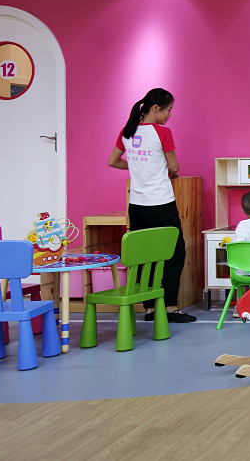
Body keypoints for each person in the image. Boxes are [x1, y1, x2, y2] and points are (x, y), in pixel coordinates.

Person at [107, 88, 195, 323]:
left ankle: (149, 309)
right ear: (155, 109)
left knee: (145, 255)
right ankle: (170, 307)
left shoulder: (127, 131)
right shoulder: (162, 132)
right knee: (174, 252)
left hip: (137, 205)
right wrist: (158, 168)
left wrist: (139, 166)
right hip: (161, 203)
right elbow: (174, 167)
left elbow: (113, 161)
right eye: (168, 110)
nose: (169, 115)